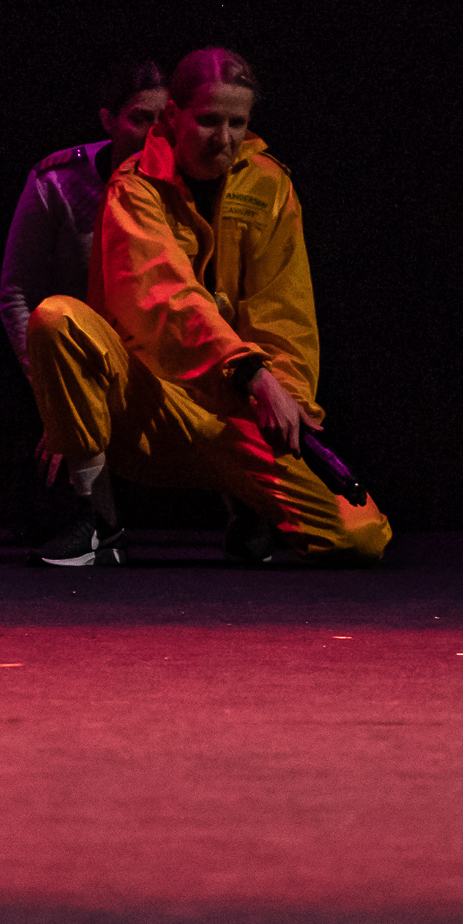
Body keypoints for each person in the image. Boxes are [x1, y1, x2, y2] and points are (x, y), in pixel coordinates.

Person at [25, 47, 392, 567]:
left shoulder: (269, 186)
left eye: (236, 123)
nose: (223, 138)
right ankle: (96, 520)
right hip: (152, 407)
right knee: (57, 318)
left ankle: (251, 505)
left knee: (362, 536)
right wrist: (252, 375)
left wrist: (288, 406)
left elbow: (285, 315)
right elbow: (165, 300)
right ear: (174, 117)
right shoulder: (134, 187)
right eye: (207, 121)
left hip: (235, 415)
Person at [0, 59, 170, 364]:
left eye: (164, 120)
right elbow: (17, 294)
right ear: (108, 120)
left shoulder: (184, 182)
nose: (153, 133)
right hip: (80, 358)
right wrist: (42, 374)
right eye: (140, 119)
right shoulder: (59, 181)